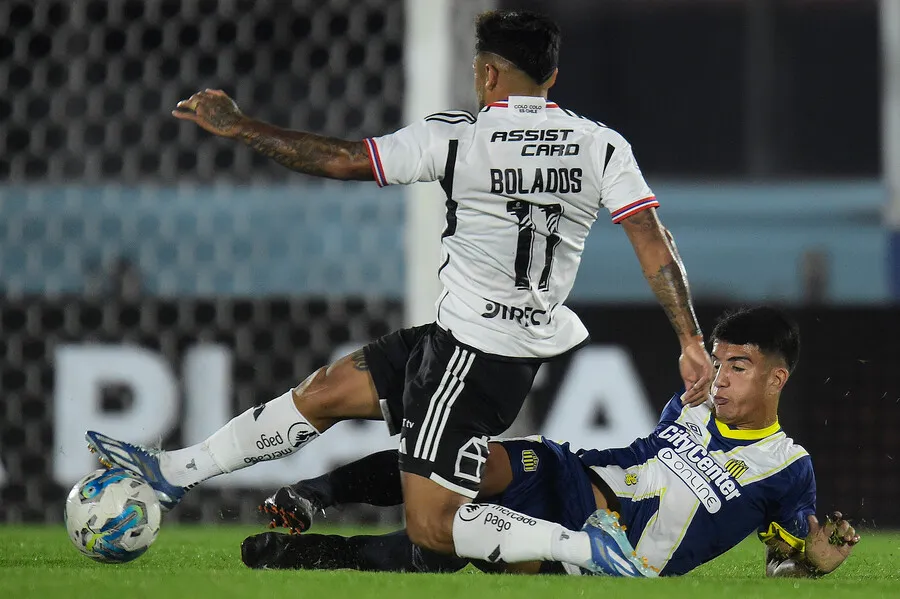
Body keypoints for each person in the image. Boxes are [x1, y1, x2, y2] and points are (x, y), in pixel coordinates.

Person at [85, 10, 712, 576]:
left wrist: (241, 126)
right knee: (325, 392)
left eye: (476, 68)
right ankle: (175, 473)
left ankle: (588, 548)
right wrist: (689, 339)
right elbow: (653, 242)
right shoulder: (601, 146)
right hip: (487, 343)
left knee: (432, 528)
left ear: (490, 75)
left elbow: (340, 159)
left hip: (471, 354)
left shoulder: (459, 136)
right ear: (551, 76)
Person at [242, 308, 860, 578]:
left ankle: (296, 556)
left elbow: (781, 560)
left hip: (613, 555)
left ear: (778, 377)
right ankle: (311, 493)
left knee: (435, 551)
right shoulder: (690, 404)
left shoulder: (787, 466)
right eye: (719, 362)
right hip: (570, 472)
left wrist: (810, 564)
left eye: (740, 367)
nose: (720, 377)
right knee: (467, 460)